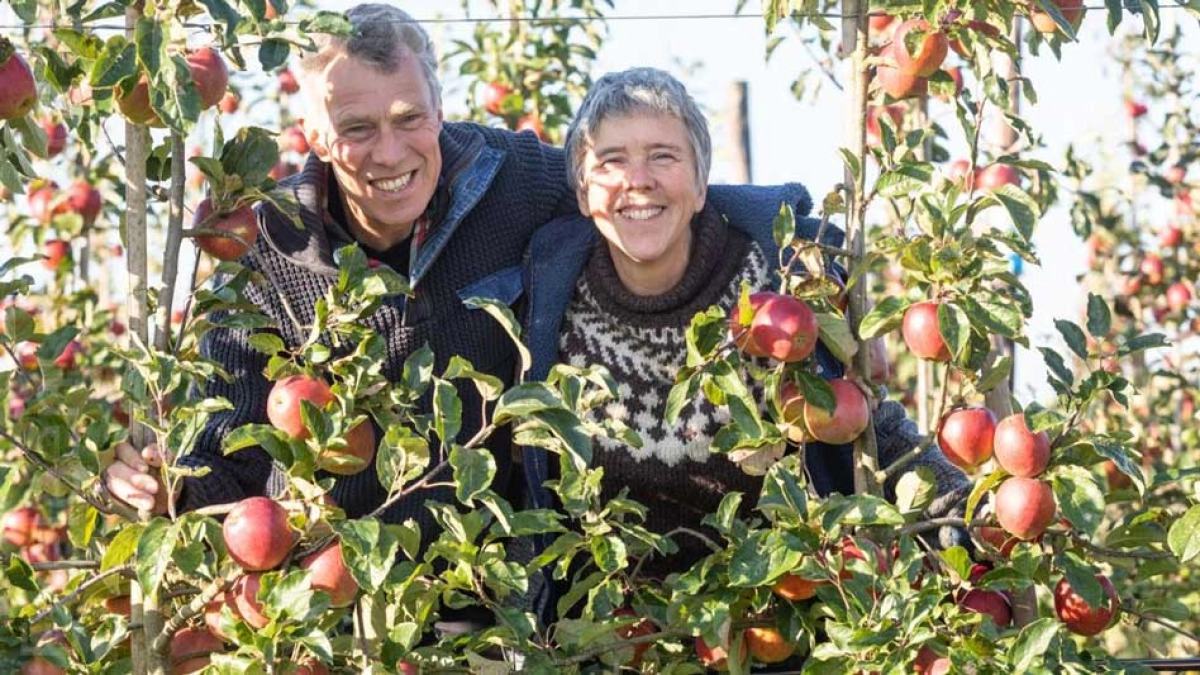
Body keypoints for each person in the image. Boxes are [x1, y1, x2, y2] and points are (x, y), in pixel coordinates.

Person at [100, 8, 788, 539]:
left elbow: (640, 197)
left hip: (489, 595)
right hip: (328, 595)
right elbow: (227, 442)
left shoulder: (513, 179)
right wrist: (169, 484)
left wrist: (797, 253)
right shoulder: (265, 242)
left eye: (410, 118)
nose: (390, 151)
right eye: (358, 128)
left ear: (440, 106)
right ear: (311, 132)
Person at [520, 67, 971, 607]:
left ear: (701, 184)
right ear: (582, 189)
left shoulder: (779, 282)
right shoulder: (546, 299)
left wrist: (967, 511)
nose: (637, 180)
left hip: (785, 625)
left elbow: (863, 422)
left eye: (663, 156)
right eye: (611, 160)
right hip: (613, 641)